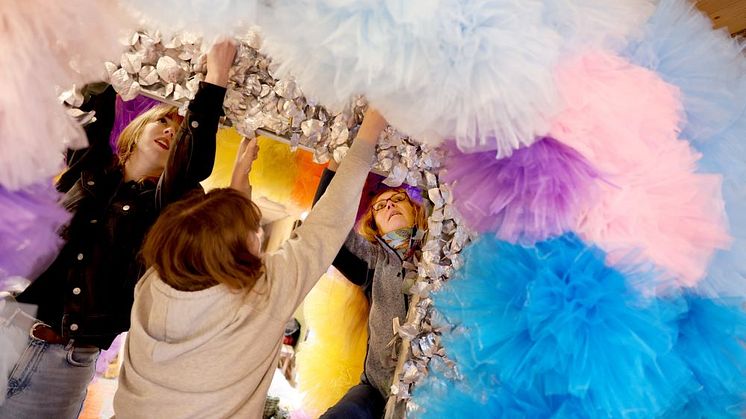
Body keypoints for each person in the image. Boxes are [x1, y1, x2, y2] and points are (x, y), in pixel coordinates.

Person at [0, 41, 237, 419]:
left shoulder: (171, 205)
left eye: (178, 128)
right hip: (7, 329)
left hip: (64, 366)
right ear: (140, 127)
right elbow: (94, 105)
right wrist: (117, 41)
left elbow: (192, 163)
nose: (170, 131)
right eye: (163, 120)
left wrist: (216, 81)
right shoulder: (88, 170)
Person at [111, 109, 387, 418]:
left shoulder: (155, 284)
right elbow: (327, 225)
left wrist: (238, 183)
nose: (259, 235)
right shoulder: (262, 295)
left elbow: (214, 242)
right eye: (255, 232)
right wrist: (369, 134)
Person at [313, 154, 428, 418]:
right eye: (380, 206)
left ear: (414, 209)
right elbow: (325, 226)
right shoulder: (372, 260)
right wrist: (335, 164)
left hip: (429, 390)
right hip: (374, 390)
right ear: (373, 225)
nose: (389, 205)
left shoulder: (440, 249)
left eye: (398, 199)